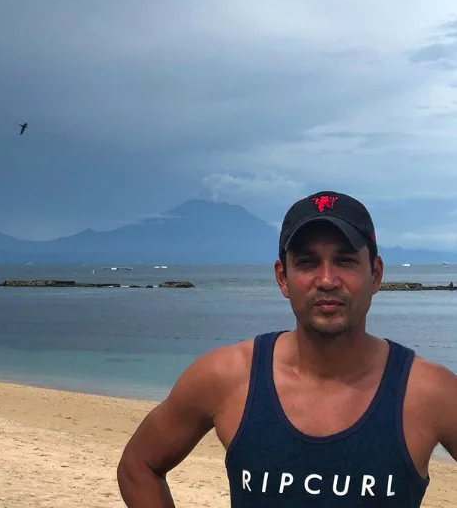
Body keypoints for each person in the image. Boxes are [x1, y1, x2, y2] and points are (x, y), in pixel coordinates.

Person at [117, 190, 457, 506]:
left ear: (376, 274)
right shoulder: (228, 378)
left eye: (345, 261)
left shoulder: (429, 393)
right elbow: (138, 465)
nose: (327, 280)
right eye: (308, 262)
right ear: (283, 277)